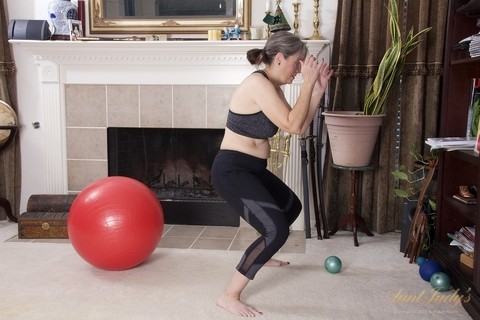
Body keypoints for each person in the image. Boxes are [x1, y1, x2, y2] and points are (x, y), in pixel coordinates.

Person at [211, 31, 333, 317]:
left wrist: (315, 91)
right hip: (232, 169)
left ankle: (263, 254)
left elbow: (299, 127)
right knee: (276, 230)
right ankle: (229, 295)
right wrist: (308, 83)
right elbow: (292, 125)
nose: (299, 70)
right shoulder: (257, 83)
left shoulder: (274, 88)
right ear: (280, 59)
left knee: (292, 207)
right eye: (297, 63)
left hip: (252, 169)